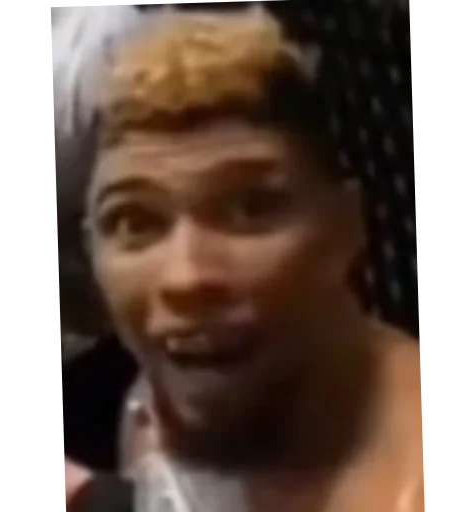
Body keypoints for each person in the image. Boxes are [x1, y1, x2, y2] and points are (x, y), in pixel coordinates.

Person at [73, 8, 424, 511]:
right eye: (133, 221)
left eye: (251, 210)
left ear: (347, 227)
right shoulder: (155, 410)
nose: (186, 276)